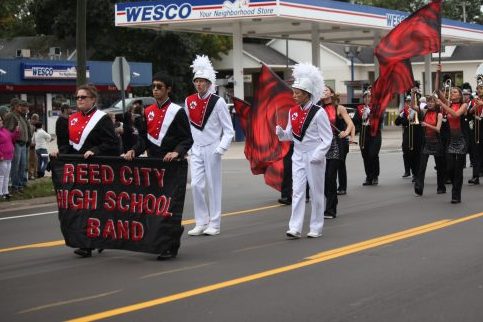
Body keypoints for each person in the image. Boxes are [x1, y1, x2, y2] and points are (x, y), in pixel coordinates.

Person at [124, 72, 193, 260]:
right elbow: (143, 140)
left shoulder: (177, 112)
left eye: (159, 86)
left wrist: (176, 152)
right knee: (154, 207)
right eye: (153, 86)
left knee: (168, 207)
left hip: (171, 167)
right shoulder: (147, 112)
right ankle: (160, 242)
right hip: (152, 167)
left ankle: (170, 244)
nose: (155, 90)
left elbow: (187, 139)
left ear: (168, 89)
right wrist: (133, 151)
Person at [53, 84, 120, 257]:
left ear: (93, 100)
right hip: (78, 171)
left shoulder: (101, 118)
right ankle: (88, 241)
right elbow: (68, 145)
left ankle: (91, 242)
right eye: (77, 97)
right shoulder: (72, 118)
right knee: (80, 208)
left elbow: (112, 143)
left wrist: (95, 151)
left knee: (94, 208)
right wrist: (60, 153)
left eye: (83, 97)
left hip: (96, 171)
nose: (79, 100)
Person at [275, 63, 332, 239]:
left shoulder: (319, 112)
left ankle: (316, 226)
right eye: (294, 92)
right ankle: (295, 227)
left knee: (316, 191)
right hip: (298, 155)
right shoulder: (293, 111)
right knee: (298, 191)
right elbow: (291, 136)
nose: (294, 96)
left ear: (307, 94)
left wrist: (319, 154)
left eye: (297, 93)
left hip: (314, 155)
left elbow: (327, 138)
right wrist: (281, 134)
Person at [185, 55, 235, 236]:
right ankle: (201, 221)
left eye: (202, 81)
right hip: (196, 148)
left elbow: (229, 130)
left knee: (214, 186)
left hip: (212, 147)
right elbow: (188, 125)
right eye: (196, 81)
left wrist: (220, 149)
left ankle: (215, 223)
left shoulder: (218, 101)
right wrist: (189, 147)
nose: (199, 84)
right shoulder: (189, 100)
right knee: (197, 185)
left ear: (209, 82)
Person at [320, 86, 354, 218]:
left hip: (335, 144)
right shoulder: (317, 108)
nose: (323, 92)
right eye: (321, 90)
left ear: (332, 93)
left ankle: (330, 210)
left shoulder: (339, 108)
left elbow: (350, 124)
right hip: (321, 144)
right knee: (322, 180)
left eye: (326, 90)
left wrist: (346, 132)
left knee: (330, 177)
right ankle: (332, 200)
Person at [437, 87, 467, 203]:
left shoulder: (463, 105)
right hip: (451, 140)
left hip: (462, 140)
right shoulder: (449, 103)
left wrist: (443, 105)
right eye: (452, 92)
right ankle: (456, 185)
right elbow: (438, 91)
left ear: (459, 95)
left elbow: (455, 114)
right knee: (449, 168)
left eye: (455, 92)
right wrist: (438, 72)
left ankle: (456, 195)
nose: (452, 93)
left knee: (458, 169)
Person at [414, 96, 445, 196]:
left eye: (432, 102)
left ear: (436, 103)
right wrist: (413, 93)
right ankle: (419, 188)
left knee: (440, 167)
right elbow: (413, 107)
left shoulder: (439, 114)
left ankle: (441, 187)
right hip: (426, 142)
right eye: (428, 102)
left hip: (436, 141)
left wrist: (427, 125)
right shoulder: (424, 111)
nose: (430, 103)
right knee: (421, 166)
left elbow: (438, 129)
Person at [354, 89, 382, 186]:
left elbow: (380, 120)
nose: (367, 99)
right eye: (365, 97)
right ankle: (368, 177)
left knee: (373, 155)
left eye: (369, 97)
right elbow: (355, 123)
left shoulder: (377, 108)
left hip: (374, 135)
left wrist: (372, 114)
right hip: (364, 135)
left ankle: (375, 176)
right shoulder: (359, 108)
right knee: (365, 156)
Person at [4, 100, 30, 193]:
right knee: (16, 165)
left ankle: (19, 184)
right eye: (19, 105)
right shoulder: (11, 116)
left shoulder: (20, 116)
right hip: (17, 143)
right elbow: (7, 131)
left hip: (22, 144)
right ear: (15, 106)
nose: (21, 107)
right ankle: (15, 186)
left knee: (22, 165)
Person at [467, 73, 483, 184]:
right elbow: (468, 113)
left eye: (481, 88)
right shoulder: (473, 101)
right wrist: (474, 107)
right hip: (477, 127)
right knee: (476, 152)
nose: (479, 90)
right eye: (478, 89)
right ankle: (475, 176)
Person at [0, 116, 20, 200]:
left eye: (1, 120)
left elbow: (12, 138)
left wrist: (17, 131)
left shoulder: (5, 130)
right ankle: (0, 193)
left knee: (7, 176)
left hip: (9, 157)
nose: (1, 121)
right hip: (3, 157)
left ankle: (6, 192)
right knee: (1, 176)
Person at [28, 113, 39, 180]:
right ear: (33, 119)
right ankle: (30, 175)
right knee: (30, 161)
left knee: (35, 160)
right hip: (30, 146)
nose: (37, 121)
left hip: (35, 146)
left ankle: (35, 174)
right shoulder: (29, 125)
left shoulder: (36, 126)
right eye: (36, 120)